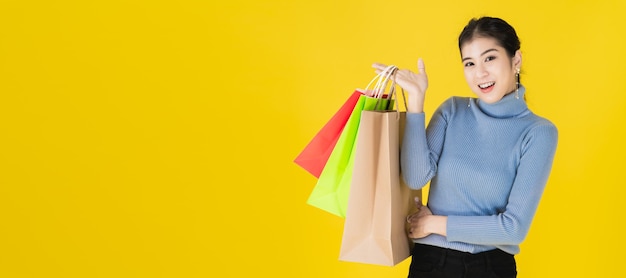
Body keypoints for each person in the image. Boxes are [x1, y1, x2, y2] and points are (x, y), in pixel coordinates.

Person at [373, 17, 558, 278]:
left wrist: (432, 224)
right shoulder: (452, 110)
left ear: (516, 60)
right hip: (431, 264)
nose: (479, 73)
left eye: (489, 58)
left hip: (490, 268)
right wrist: (416, 103)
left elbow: (513, 228)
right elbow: (416, 177)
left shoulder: (538, 132)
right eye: (469, 63)